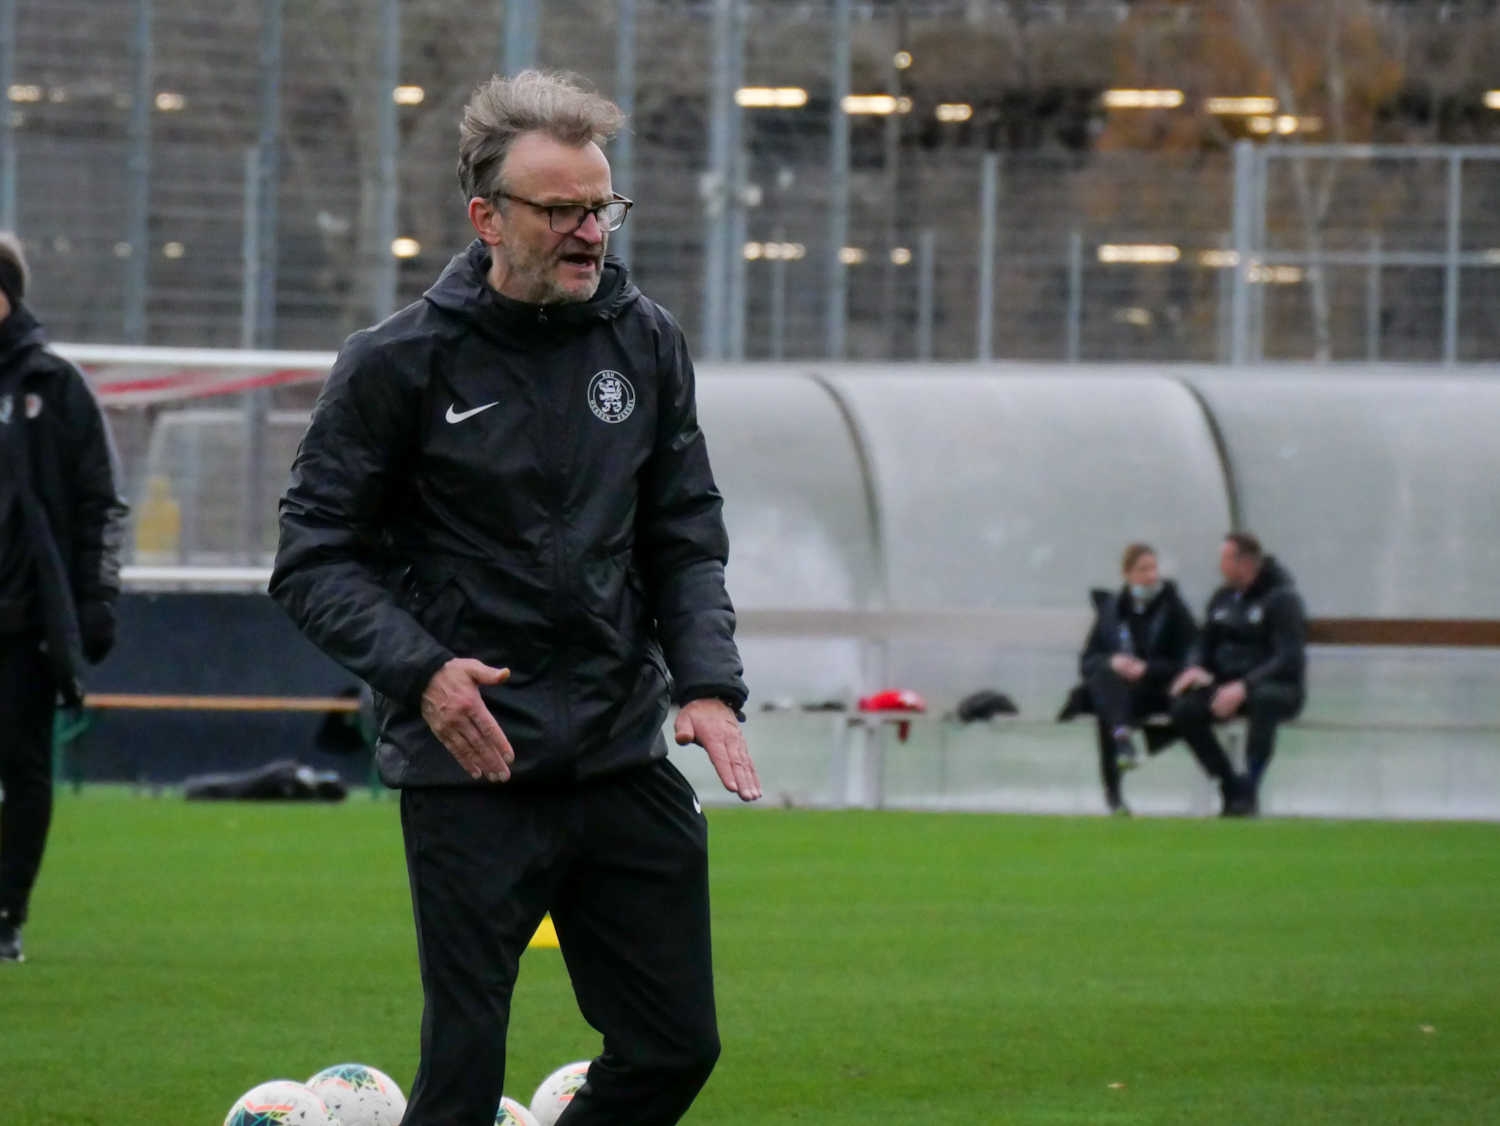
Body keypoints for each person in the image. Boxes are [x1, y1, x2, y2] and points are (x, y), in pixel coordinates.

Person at [269, 71, 761, 1126]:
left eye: (602, 207)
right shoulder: (397, 363)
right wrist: (423, 672)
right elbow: (312, 557)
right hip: (475, 763)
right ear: (486, 217)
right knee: (460, 1078)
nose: (590, 232)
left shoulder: (646, 340)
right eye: (562, 210)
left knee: (674, 1047)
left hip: (620, 749)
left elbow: (684, 532)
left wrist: (709, 684)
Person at [0, 232, 128, 963]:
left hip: (23, 621)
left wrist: (95, 601)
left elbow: (99, 501)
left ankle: (6, 913)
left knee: (22, 767)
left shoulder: (54, 386)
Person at [1170, 532, 1307, 816]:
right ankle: (1229, 785)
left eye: (1224, 559)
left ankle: (1251, 786)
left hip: (1275, 686)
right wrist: (1195, 668)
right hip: (1227, 685)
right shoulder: (1222, 598)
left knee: (1264, 700)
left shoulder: (1282, 599)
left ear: (1244, 563)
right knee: (1184, 708)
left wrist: (1245, 686)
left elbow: (1288, 657)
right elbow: (1203, 642)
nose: (1219, 566)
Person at [1059, 543, 1197, 815]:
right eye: (1143, 569)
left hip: (1157, 691)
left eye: (1154, 568)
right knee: (1105, 680)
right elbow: (1088, 661)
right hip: (1118, 693)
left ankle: (1116, 781)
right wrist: (1113, 662)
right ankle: (1121, 748)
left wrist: (1147, 669)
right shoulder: (1112, 611)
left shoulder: (1173, 608)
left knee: (1106, 700)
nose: (1151, 576)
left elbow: (1188, 661)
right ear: (1127, 574)